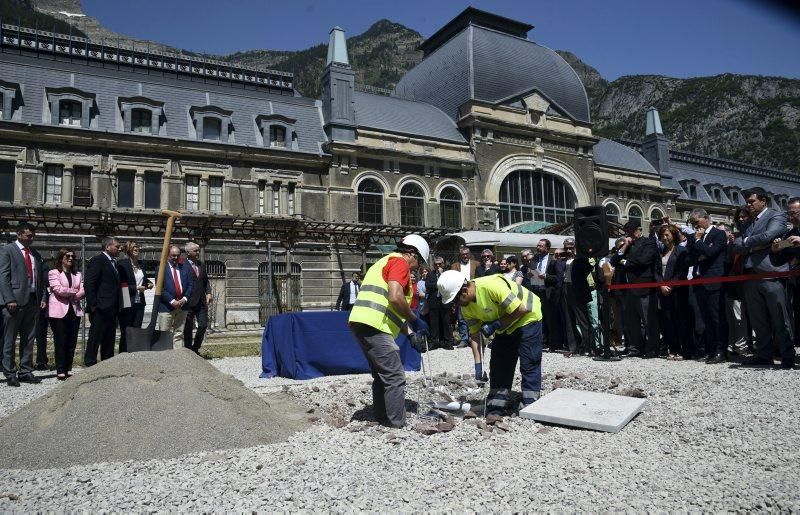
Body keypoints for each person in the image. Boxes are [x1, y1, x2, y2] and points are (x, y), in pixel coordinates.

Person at [348, 234, 429, 428]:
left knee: (382, 374)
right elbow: (394, 297)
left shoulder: (385, 263)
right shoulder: (399, 262)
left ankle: (383, 417)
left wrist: (409, 333)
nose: (418, 267)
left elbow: (391, 310)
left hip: (364, 322)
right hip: (374, 324)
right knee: (395, 375)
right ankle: (397, 423)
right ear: (411, 253)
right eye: (419, 261)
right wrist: (415, 319)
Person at [437, 269, 543, 413]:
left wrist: (496, 324)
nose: (455, 305)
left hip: (527, 317)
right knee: (499, 364)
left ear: (465, 290)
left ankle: (531, 404)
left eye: (455, 299)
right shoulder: (467, 306)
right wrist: (478, 365)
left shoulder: (491, 287)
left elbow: (520, 309)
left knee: (529, 361)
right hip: (506, 324)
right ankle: (497, 405)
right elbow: (474, 335)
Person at [734, 187, 795, 369]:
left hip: (772, 274)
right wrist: (753, 244)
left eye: (751, 201)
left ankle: (787, 356)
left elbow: (770, 235)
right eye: (747, 201)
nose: (748, 205)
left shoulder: (776, 216)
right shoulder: (747, 223)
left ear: (763, 201)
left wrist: (747, 243)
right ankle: (764, 354)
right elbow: (736, 244)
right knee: (758, 320)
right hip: (751, 276)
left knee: (779, 318)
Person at [0, 223, 48, 386]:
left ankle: (26, 370)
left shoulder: (34, 253)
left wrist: (42, 297)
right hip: (14, 302)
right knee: (10, 339)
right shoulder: (8, 250)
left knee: (29, 338)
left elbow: (39, 277)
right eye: (29, 235)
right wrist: (9, 299)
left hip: (33, 300)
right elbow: (3, 276)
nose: (32, 238)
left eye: (33, 235)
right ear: (19, 234)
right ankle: (9, 372)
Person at [611, 220, 660, 358]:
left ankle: (652, 348)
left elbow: (643, 260)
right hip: (629, 289)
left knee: (648, 320)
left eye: (632, 232)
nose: (630, 235)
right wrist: (625, 246)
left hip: (644, 287)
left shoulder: (648, 243)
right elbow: (614, 261)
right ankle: (636, 347)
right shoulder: (628, 245)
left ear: (639, 230)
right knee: (632, 321)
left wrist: (626, 262)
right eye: (628, 233)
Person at [687, 208, 729, 363]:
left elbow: (712, 253)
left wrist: (699, 243)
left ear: (706, 218)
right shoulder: (693, 237)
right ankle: (710, 350)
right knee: (706, 319)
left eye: (696, 222)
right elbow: (689, 259)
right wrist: (700, 250)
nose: (695, 226)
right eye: (692, 224)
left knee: (717, 318)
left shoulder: (718, 234)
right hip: (699, 281)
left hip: (714, 280)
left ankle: (721, 351)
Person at [84, 236, 122, 367]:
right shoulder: (98, 260)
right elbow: (89, 284)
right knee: (95, 337)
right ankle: (90, 363)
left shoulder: (114, 263)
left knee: (109, 338)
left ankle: (106, 364)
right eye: (117, 246)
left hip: (112, 308)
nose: (119, 249)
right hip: (100, 308)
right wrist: (93, 305)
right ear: (107, 247)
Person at [47, 248, 84, 380]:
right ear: (61, 258)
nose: (70, 258)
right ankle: (60, 369)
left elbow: (82, 290)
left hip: (74, 310)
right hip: (58, 311)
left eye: (73, 256)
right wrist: (74, 292)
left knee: (72, 341)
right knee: (61, 340)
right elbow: (57, 290)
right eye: (67, 256)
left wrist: (74, 293)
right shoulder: (54, 272)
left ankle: (69, 368)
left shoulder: (78, 274)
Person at [656, 225, 689, 360]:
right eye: (663, 235)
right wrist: (661, 285)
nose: (664, 238)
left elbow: (682, 272)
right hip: (663, 291)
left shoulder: (681, 250)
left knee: (680, 320)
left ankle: (684, 350)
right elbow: (656, 271)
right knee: (667, 321)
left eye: (667, 235)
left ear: (674, 236)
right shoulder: (661, 252)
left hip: (677, 291)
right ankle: (673, 348)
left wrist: (670, 286)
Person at [771, 198, 800, 351]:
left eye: (793, 213)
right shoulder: (791, 234)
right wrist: (776, 249)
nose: (790, 218)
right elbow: (779, 260)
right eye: (788, 214)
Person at [116, 240, 153, 353]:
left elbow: (143, 280)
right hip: (127, 298)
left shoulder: (141, 264)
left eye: (137, 247)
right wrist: (136, 288)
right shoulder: (122, 264)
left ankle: (134, 354)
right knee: (127, 329)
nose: (137, 249)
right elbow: (122, 285)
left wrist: (149, 284)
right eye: (134, 247)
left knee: (137, 328)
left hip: (140, 300)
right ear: (128, 250)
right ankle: (123, 354)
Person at [561, 238, 594, 357]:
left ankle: (588, 346)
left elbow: (588, 268)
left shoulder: (580, 258)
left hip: (577, 290)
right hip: (565, 289)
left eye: (570, 247)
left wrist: (576, 256)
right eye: (566, 248)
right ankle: (573, 347)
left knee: (582, 319)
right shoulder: (562, 260)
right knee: (569, 319)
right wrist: (556, 258)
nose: (568, 249)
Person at [157, 245, 195, 348]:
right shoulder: (161, 269)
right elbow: (161, 288)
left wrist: (184, 299)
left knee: (179, 333)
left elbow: (191, 285)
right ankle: (164, 357)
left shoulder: (185, 268)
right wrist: (172, 301)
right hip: (166, 306)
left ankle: (177, 358)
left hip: (183, 306)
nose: (176, 258)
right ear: (168, 255)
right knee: (164, 333)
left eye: (178, 255)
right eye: (173, 255)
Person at [183, 242, 212, 353]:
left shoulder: (201, 265)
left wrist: (208, 293)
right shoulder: (182, 265)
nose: (198, 252)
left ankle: (196, 348)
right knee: (188, 329)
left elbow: (206, 281)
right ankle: (189, 351)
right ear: (188, 252)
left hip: (201, 301)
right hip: (188, 301)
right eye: (195, 250)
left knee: (203, 325)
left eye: (198, 250)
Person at [425, 256, 453, 349]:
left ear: (443, 264)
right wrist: (438, 284)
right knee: (434, 323)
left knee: (446, 322)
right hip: (434, 301)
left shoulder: (447, 274)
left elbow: (448, 285)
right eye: (436, 264)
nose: (437, 266)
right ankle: (434, 342)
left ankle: (448, 341)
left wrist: (441, 276)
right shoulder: (430, 274)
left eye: (439, 264)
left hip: (445, 301)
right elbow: (428, 285)